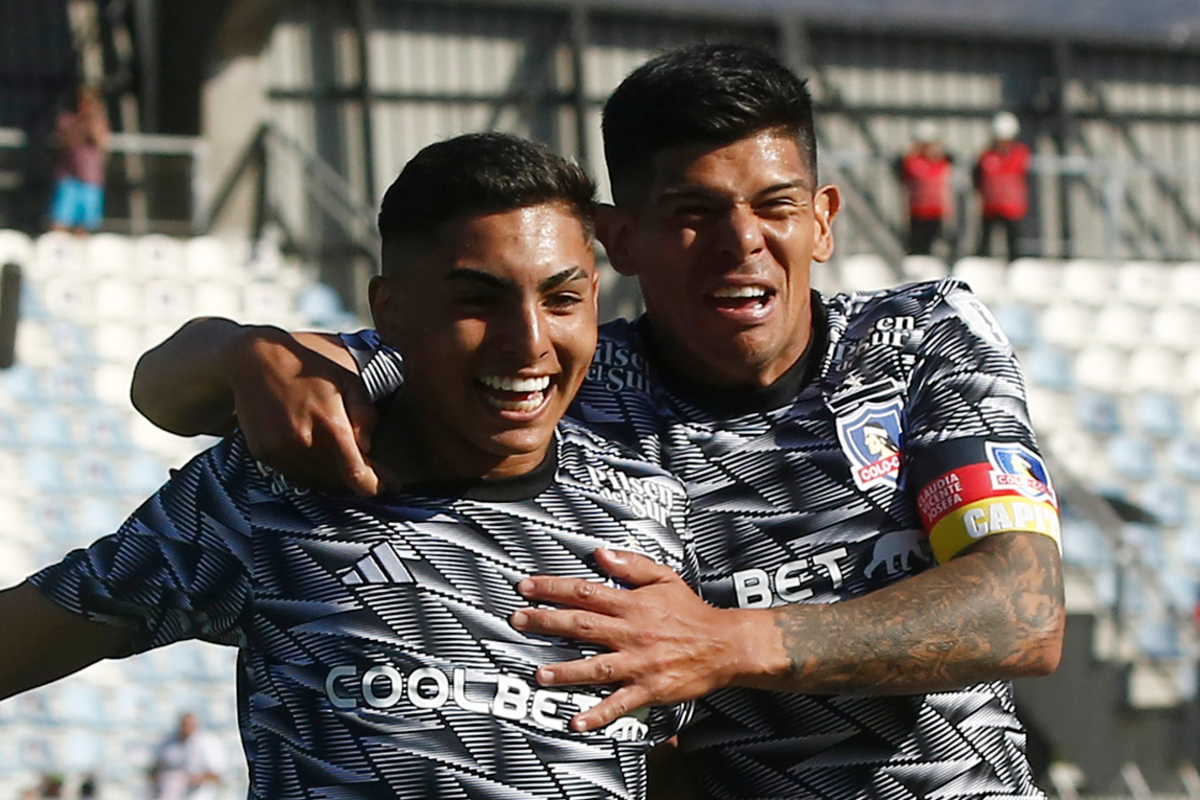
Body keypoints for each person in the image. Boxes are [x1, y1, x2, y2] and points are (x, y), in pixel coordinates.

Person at [131, 44, 1065, 800]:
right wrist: (238, 352)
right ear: (620, 239)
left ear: (822, 220)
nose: (744, 242)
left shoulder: (919, 340)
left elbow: (1024, 609)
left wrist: (724, 643)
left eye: (774, 205)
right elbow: (171, 394)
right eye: (694, 213)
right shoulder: (556, 378)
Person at [0, 132, 698, 799]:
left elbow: (669, 767)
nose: (528, 342)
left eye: (562, 299)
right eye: (477, 302)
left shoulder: (650, 513)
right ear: (389, 312)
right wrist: (238, 351)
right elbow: (35, 631)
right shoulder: (280, 491)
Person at [49, 86, 110, 235]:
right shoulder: (67, 120)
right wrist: (81, 123)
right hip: (69, 177)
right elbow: (68, 143)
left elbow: (103, 144)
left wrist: (93, 121)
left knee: (84, 228)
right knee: (60, 224)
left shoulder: (98, 122)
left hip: (90, 179)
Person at [974, 110, 1030, 260]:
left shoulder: (1020, 154)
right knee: (984, 244)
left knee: (1014, 245)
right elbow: (977, 177)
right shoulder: (986, 155)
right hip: (990, 207)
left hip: (1012, 208)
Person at [895, 120, 953, 255]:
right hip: (918, 213)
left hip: (940, 214)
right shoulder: (913, 162)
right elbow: (901, 168)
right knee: (918, 248)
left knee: (940, 248)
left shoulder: (943, 162)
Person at [149, 713, 225, 800]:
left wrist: (194, 779)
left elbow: (216, 774)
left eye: (189, 725)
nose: (186, 728)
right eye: (184, 725)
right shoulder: (168, 742)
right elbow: (155, 768)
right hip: (171, 791)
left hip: (199, 793)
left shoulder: (208, 742)